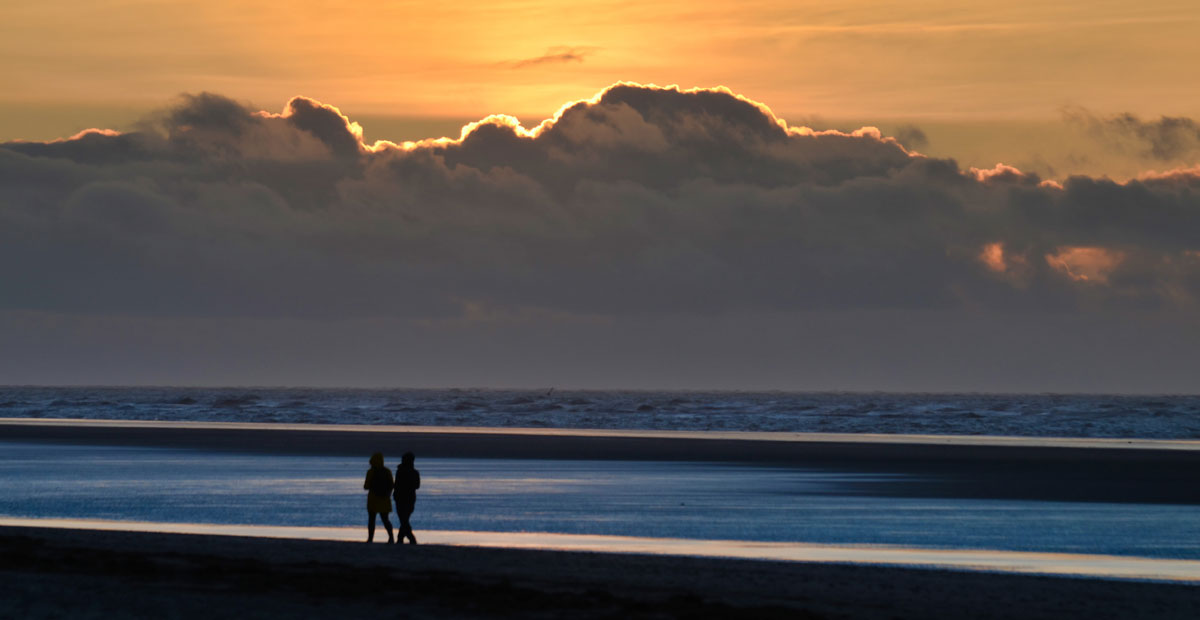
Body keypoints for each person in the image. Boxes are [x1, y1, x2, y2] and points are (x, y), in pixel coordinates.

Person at [363, 452, 394, 543]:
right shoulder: (387, 471)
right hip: (385, 499)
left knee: (371, 520)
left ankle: (370, 539)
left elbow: (366, 486)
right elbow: (392, 485)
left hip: (373, 499)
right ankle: (391, 537)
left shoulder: (370, 472)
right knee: (385, 520)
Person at [393, 451, 421, 545]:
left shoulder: (401, 471)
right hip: (407, 498)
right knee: (404, 519)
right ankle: (401, 538)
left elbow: (397, 485)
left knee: (404, 519)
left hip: (404, 498)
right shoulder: (413, 472)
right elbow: (417, 486)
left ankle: (410, 538)